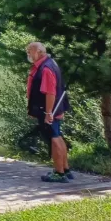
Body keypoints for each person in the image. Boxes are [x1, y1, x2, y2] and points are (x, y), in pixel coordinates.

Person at [26, 42, 73, 183]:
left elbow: (50, 93)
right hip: (54, 109)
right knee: (57, 136)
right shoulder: (50, 63)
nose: (28, 53)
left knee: (54, 138)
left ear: (39, 52)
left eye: (30, 51)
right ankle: (65, 169)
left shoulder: (45, 68)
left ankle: (59, 173)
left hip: (48, 111)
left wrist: (48, 113)